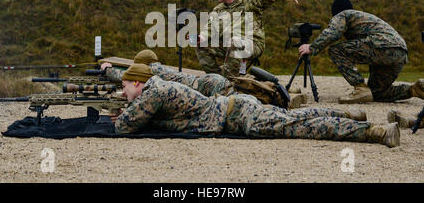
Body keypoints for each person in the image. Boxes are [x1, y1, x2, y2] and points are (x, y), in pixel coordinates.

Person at [111, 64, 401, 148]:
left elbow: (123, 128)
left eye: (125, 87)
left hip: (240, 115)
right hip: (237, 106)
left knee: (302, 126)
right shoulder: (155, 89)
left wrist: (122, 115)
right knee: (297, 116)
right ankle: (348, 113)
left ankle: (374, 132)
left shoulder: (152, 91)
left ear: (137, 83)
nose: (123, 94)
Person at [298, 0, 424, 104]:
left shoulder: (343, 14)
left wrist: (312, 47)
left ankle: (360, 88)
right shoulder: (363, 17)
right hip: (400, 53)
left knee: (335, 50)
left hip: (382, 45)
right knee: (376, 93)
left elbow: (333, 32)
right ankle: (414, 90)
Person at [195, 0, 299, 78]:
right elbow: (210, 27)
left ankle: (229, 82)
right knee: (201, 45)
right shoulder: (218, 9)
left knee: (235, 41)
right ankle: (217, 80)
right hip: (230, 44)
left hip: (253, 44)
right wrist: (201, 37)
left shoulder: (249, 2)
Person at [101, 49, 233, 97]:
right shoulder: (159, 68)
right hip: (209, 82)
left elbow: (122, 76)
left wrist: (107, 69)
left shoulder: (151, 71)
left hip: (208, 86)